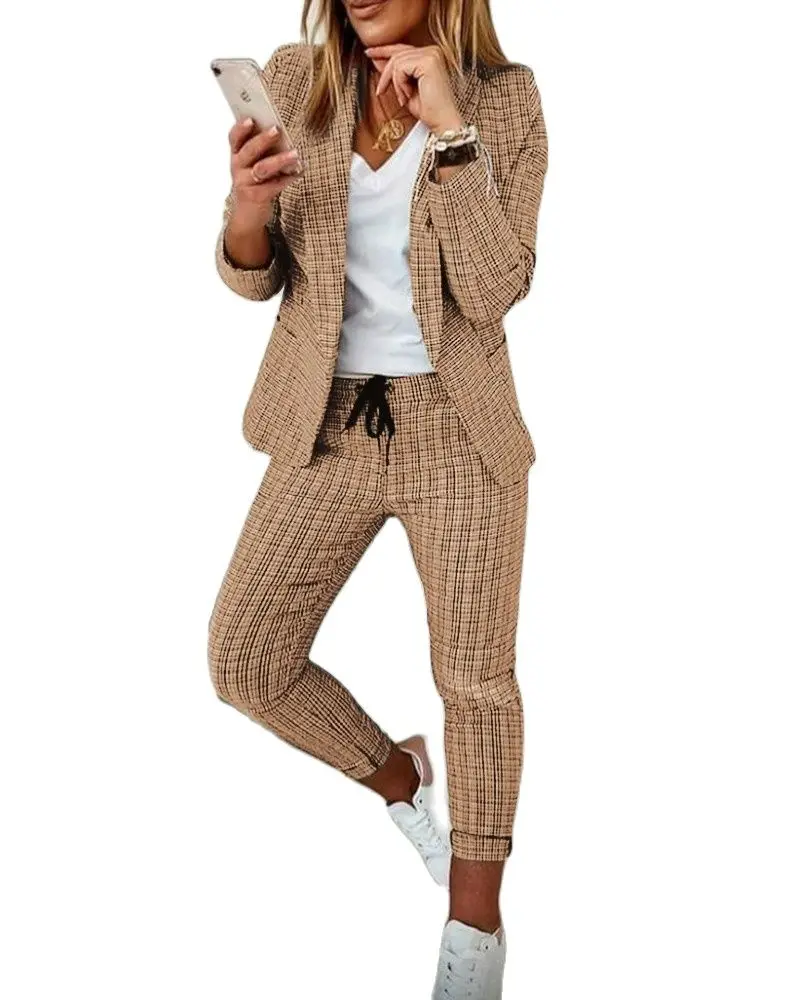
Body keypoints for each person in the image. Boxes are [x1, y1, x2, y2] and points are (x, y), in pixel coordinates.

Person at [208, 1, 547, 995]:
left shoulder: (507, 100)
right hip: (325, 421)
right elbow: (257, 278)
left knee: (475, 683)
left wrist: (451, 133)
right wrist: (244, 211)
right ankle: (397, 776)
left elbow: (493, 289)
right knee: (245, 658)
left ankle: (473, 934)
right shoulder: (296, 78)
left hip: (458, 428)